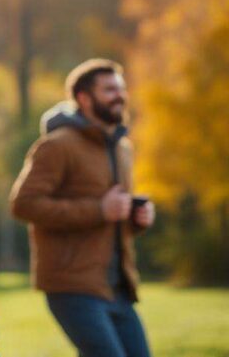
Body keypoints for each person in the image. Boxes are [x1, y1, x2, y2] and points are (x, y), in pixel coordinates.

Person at [10, 58, 155, 357]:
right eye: (109, 89)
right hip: (72, 287)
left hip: (118, 287)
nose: (120, 95)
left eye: (121, 88)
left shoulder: (122, 148)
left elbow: (112, 218)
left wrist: (136, 219)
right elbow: (23, 205)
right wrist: (99, 210)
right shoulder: (58, 145)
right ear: (83, 98)